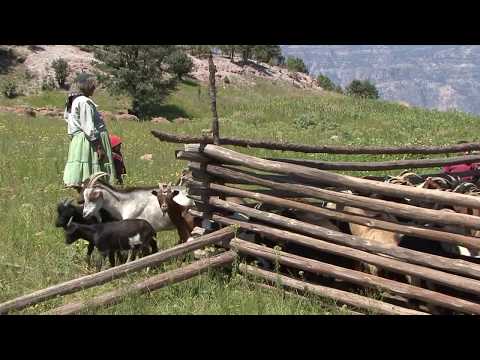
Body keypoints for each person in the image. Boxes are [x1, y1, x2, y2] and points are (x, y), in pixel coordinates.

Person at [63, 76, 116, 191]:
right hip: (89, 142)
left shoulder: (73, 101)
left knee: (83, 179)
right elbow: (88, 126)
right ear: (85, 86)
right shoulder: (84, 102)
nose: (94, 88)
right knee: (94, 177)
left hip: (79, 141)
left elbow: (68, 120)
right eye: (92, 85)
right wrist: (98, 147)